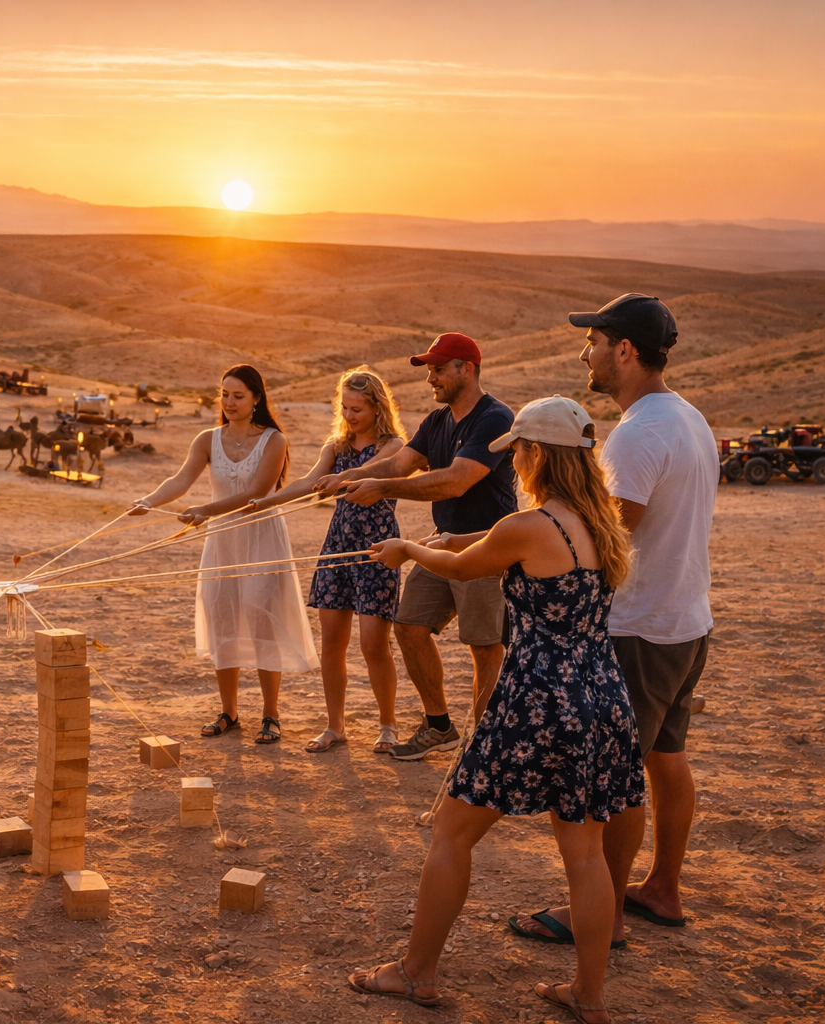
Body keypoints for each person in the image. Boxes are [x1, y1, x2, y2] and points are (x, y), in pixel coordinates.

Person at [349, 396, 642, 1024]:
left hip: (535, 700)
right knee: (584, 853)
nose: (516, 464)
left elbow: (459, 567)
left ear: (537, 454)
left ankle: (416, 973)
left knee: (452, 833)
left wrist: (409, 550)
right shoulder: (601, 520)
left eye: (519, 453)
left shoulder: (527, 525)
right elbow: (499, 546)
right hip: (600, 696)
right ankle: (589, 997)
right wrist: (455, 539)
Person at [512, 294, 717, 953]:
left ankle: (602, 915)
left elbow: (606, 538)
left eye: (594, 342)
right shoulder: (688, 417)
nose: (586, 354)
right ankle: (662, 889)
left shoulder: (636, 433)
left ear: (624, 350)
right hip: (685, 621)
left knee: (616, 776)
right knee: (667, 759)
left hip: (638, 628)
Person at [323, 333, 516, 761]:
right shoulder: (436, 421)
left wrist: (383, 488)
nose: (431, 378)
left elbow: (457, 480)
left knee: (484, 646)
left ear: (467, 369)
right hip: (442, 544)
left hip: (487, 545)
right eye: (430, 370)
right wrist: (350, 478)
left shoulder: (494, 418)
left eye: (438, 369)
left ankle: (484, 748)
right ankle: (439, 726)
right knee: (409, 625)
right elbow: (399, 464)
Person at [132, 364, 319, 744]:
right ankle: (229, 712)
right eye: (224, 395)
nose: (229, 403)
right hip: (222, 542)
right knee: (222, 616)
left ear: (256, 399)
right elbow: (181, 480)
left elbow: (257, 494)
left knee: (261, 616)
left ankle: (271, 714)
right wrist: (149, 501)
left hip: (262, 538)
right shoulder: (207, 439)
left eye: (238, 396)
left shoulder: (274, 441)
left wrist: (206, 510)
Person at [251, 367, 406, 753]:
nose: (349, 416)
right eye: (345, 408)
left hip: (377, 550)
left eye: (358, 409)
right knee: (331, 644)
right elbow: (309, 482)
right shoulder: (336, 447)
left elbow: (375, 471)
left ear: (377, 408)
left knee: (373, 645)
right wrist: (266, 501)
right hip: (337, 547)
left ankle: (388, 726)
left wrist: (345, 478)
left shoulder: (394, 445)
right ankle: (335, 726)